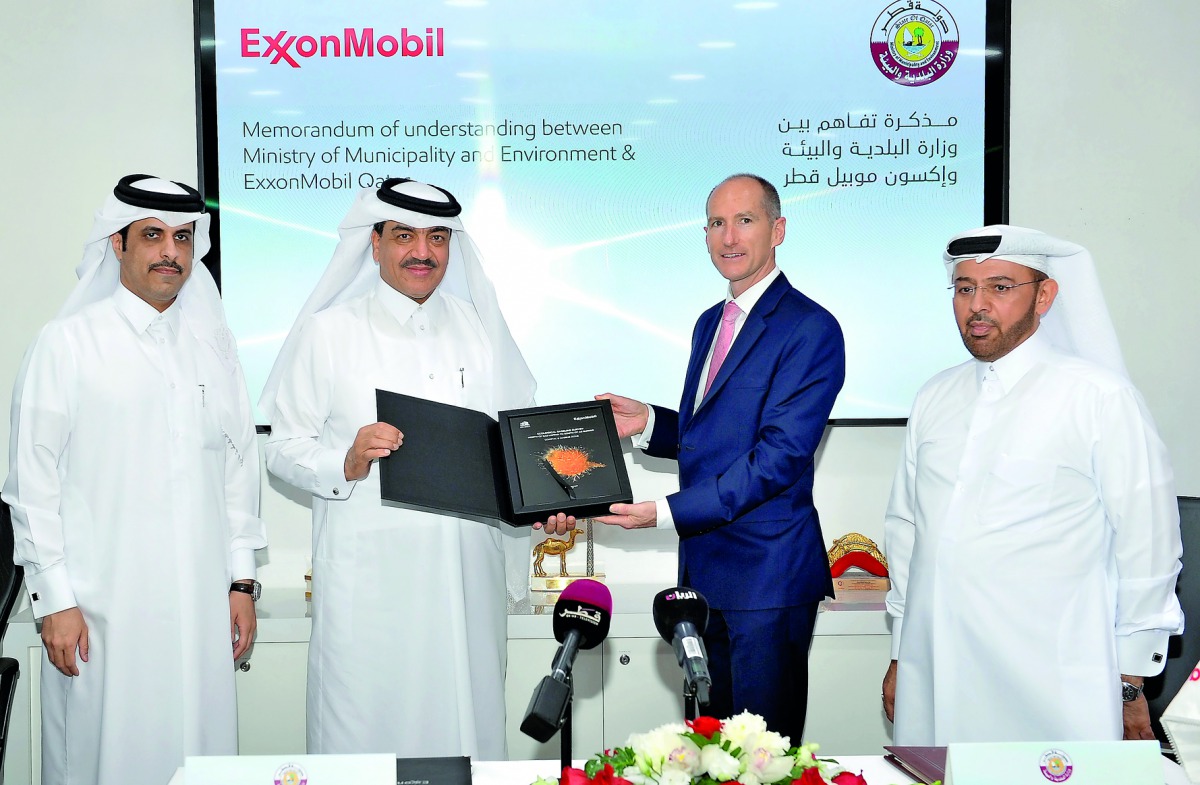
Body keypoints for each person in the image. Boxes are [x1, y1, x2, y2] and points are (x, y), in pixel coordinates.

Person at [544, 173, 845, 743]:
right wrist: (653, 423)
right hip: (704, 579)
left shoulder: (810, 328)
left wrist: (664, 512)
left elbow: (778, 456)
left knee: (761, 761)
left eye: (745, 220)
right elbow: (721, 434)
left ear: (778, 229)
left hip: (767, 582)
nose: (728, 236)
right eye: (715, 223)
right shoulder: (711, 322)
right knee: (709, 753)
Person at [2, 174, 267, 785]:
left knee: (199, 758)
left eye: (183, 237)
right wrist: (55, 602)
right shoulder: (67, 344)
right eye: (152, 236)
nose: (171, 252)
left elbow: (237, 474)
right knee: (104, 759)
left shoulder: (214, 349)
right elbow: (32, 485)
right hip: (101, 613)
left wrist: (242, 583)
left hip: (203, 609)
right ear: (116, 244)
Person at [260, 177, 536, 759]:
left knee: (466, 732)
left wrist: (545, 499)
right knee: (364, 736)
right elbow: (283, 448)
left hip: (465, 582)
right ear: (375, 242)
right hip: (370, 592)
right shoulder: (329, 332)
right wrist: (348, 459)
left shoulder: (481, 329)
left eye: (438, 238)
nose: (423, 252)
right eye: (405, 235)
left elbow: (517, 444)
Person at [881, 224, 1184, 745]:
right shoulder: (934, 396)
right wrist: (900, 654)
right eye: (964, 288)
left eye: (1000, 287)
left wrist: (1130, 682)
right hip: (936, 668)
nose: (978, 305)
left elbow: (1148, 545)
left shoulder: (1099, 398)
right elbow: (907, 531)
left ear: (1044, 295)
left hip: (1051, 680)